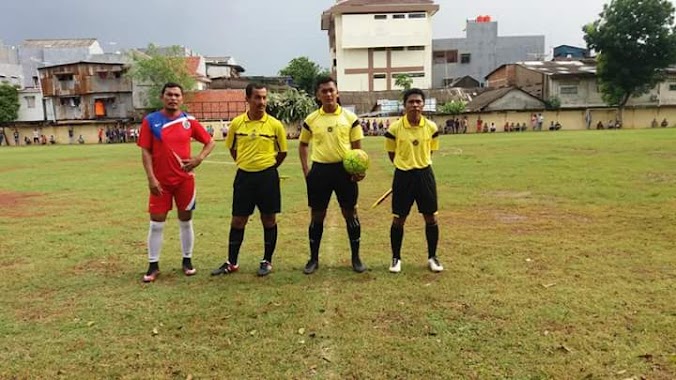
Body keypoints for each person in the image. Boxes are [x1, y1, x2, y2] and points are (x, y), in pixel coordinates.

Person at [137, 82, 216, 283]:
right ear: (162, 97)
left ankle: (187, 261)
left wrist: (199, 158)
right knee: (156, 223)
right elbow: (145, 151)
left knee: (185, 220)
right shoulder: (151, 121)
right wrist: (151, 178)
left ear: (182, 98)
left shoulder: (188, 121)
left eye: (177, 95)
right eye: (169, 94)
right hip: (160, 181)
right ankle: (153, 265)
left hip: (184, 181)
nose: (173, 98)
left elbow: (210, 141)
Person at [211, 84, 288, 277]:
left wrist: (267, 167)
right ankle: (232, 262)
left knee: (269, 219)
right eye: (257, 98)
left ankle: (267, 261)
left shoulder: (275, 125)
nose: (261, 102)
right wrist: (246, 163)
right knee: (238, 220)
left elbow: (282, 152)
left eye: (264, 98)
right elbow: (232, 149)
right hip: (244, 177)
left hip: (268, 177)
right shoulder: (237, 124)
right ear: (247, 99)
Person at [299, 76, 366, 274]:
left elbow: (357, 149)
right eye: (324, 91)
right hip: (320, 171)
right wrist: (306, 171)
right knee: (317, 215)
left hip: (344, 171)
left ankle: (356, 258)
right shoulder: (311, 119)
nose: (328, 94)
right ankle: (313, 259)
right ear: (318, 96)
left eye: (331, 90)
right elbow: (303, 145)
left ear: (337, 93)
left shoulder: (350, 118)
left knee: (350, 213)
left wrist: (358, 169)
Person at [384, 88, 443, 273]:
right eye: (411, 102)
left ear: (423, 105)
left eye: (418, 102)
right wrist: (406, 166)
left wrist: (419, 164)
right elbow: (391, 154)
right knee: (399, 219)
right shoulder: (394, 128)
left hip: (425, 174)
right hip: (403, 175)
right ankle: (396, 258)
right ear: (404, 105)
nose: (415, 105)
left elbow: (430, 150)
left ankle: (432, 257)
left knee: (430, 217)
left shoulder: (432, 127)